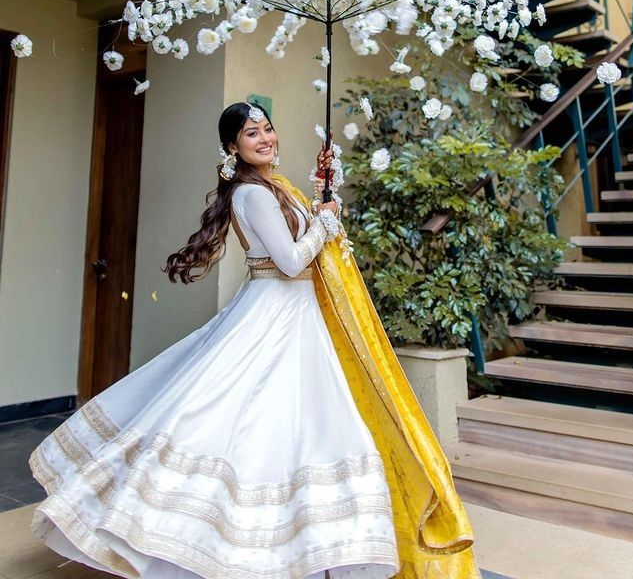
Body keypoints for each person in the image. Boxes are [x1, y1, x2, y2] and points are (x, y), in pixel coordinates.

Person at [29, 102, 478, 579]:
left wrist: (324, 196)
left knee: (300, 426)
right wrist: (323, 225)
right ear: (232, 146)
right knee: (251, 423)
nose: (264, 138)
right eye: (250, 133)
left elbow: (306, 244)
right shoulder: (253, 194)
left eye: (268, 128)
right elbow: (289, 262)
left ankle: (296, 548)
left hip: (297, 314)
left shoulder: (272, 188)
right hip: (275, 311)